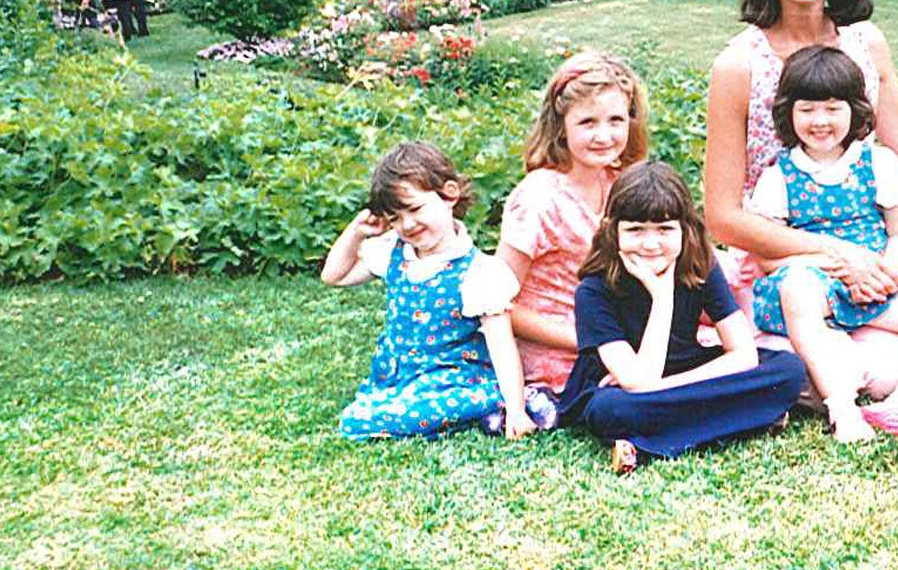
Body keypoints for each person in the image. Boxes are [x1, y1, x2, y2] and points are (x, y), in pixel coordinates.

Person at [702, 0, 898, 402]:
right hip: (781, 261)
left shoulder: (866, 45)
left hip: (871, 263)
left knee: (887, 378)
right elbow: (723, 216)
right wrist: (838, 256)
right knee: (810, 371)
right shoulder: (739, 65)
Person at [748, 47, 898, 441]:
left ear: (855, 110)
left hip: (876, 284)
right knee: (797, 286)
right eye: (807, 109)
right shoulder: (779, 177)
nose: (820, 121)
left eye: (833, 108)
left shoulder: (878, 164)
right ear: (788, 113)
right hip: (814, 287)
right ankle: (842, 409)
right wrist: (837, 270)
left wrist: (886, 273)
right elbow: (767, 257)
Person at [556, 162, 806, 474]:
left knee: (788, 369)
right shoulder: (593, 291)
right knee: (611, 411)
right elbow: (636, 380)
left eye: (664, 229)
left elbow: (743, 354)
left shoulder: (700, 264)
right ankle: (748, 420)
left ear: (685, 228)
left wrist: (668, 386)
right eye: (635, 230)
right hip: (620, 389)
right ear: (612, 229)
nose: (650, 244)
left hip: (675, 376)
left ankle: (648, 443)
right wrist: (661, 296)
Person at [321, 143, 537, 440]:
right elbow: (335, 276)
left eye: (414, 209)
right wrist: (356, 231)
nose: (407, 224)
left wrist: (516, 410)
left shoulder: (479, 272)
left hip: (454, 377)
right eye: (395, 217)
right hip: (399, 375)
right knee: (366, 412)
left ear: (449, 194)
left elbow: (502, 346)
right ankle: (412, 410)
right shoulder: (394, 253)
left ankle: (499, 405)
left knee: (364, 421)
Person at [497, 52, 652, 396]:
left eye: (615, 120)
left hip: (620, 337)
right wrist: (588, 340)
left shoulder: (621, 183)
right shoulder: (539, 198)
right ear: (561, 127)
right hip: (564, 355)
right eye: (587, 123)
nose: (604, 135)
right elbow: (499, 304)